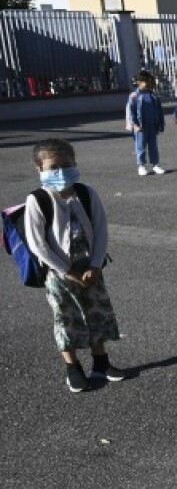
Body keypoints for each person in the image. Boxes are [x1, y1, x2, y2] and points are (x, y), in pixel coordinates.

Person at [24, 138, 127, 393]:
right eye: (53, 166)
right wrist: (66, 271)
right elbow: (38, 244)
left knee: (98, 312)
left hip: (91, 268)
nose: (61, 171)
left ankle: (101, 363)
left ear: (75, 164)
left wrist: (96, 264)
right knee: (66, 317)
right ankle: (73, 368)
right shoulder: (38, 200)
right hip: (60, 273)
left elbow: (101, 229)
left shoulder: (86, 193)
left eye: (67, 164)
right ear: (40, 169)